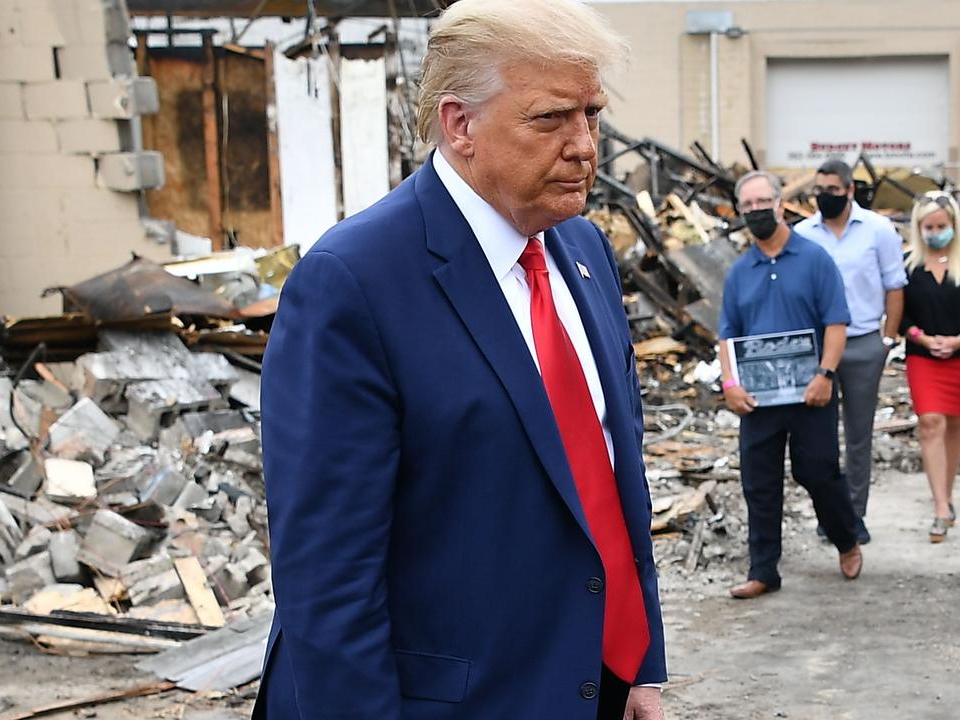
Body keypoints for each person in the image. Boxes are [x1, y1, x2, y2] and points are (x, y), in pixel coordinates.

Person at [253, 2, 666, 718]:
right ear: (460, 124)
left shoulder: (585, 252)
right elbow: (328, 579)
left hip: (591, 683)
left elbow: (607, 472)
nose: (584, 146)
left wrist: (638, 664)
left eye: (592, 114)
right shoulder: (354, 282)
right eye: (550, 118)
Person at [718, 170, 863, 601]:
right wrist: (730, 383)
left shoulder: (815, 259)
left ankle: (846, 538)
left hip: (811, 392)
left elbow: (836, 323)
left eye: (764, 202)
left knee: (818, 472)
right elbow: (727, 335)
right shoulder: (740, 271)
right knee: (758, 483)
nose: (757, 211)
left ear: (781, 205)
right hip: (758, 400)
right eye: (748, 206)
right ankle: (764, 570)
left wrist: (826, 375)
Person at [794, 159, 907, 544]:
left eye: (833, 190)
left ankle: (854, 517)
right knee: (820, 439)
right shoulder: (803, 233)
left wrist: (887, 339)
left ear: (850, 190)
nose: (825, 197)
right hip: (817, 347)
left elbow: (895, 285)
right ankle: (830, 515)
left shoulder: (878, 230)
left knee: (858, 437)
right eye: (819, 190)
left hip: (862, 343)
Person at [899, 191, 960, 543]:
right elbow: (899, 317)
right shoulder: (908, 265)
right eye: (929, 227)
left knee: (955, 424)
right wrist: (923, 339)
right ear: (918, 228)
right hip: (922, 356)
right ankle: (939, 506)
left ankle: (948, 495)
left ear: (953, 225)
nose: (935, 232)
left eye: (941, 226)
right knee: (930, 422)